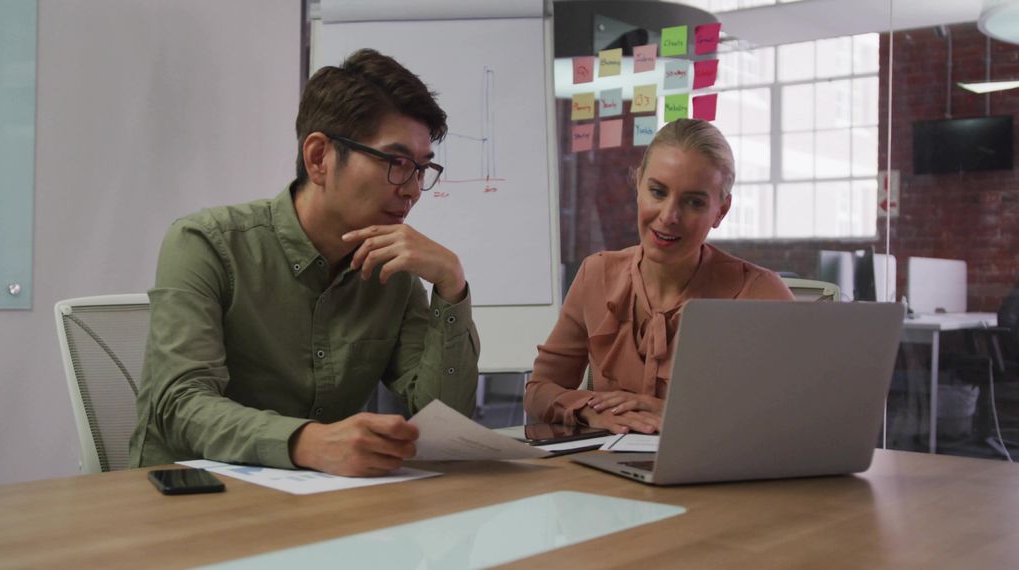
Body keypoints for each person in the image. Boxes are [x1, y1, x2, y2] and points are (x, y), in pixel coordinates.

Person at [129, 49, 479, 477]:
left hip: (318, 502)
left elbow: (445, 425)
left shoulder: (393, 272)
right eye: (396, 163)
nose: (412, 190)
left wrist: (451, 285)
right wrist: (307, 441)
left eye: (422, 169)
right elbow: (180, 405)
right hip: (192, 500)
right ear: (319, 158)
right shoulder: (204, 245)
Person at [524, 118, 793, 434]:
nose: (669, 217)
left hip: (717, 476)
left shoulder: (759, 293)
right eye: (657, 191)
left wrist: (680, 415)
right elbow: (540, 389)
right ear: (638, 186)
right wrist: (589, 411)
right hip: (607, 470)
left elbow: (796, 416)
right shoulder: (595, 274)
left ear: (721, 211)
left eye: (693, 202)